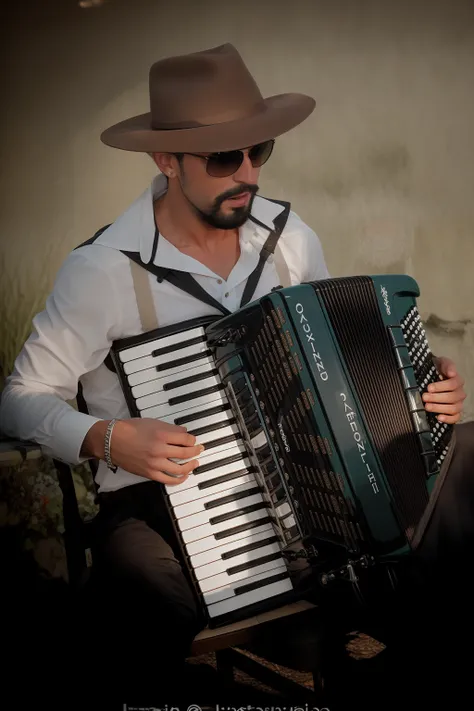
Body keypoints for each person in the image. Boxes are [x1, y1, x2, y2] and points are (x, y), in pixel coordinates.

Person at [0, 43, 469, 707]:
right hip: (155, 504)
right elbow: (18, 401)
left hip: (310, 494)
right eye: (224, 157)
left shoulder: (290, 237)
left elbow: (342, 355)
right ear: (166, 161)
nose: (247, 173)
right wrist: (106, 437)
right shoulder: (102, 270)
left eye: (259, 151)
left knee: (470, 457)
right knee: (140, 585)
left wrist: (421, 383)